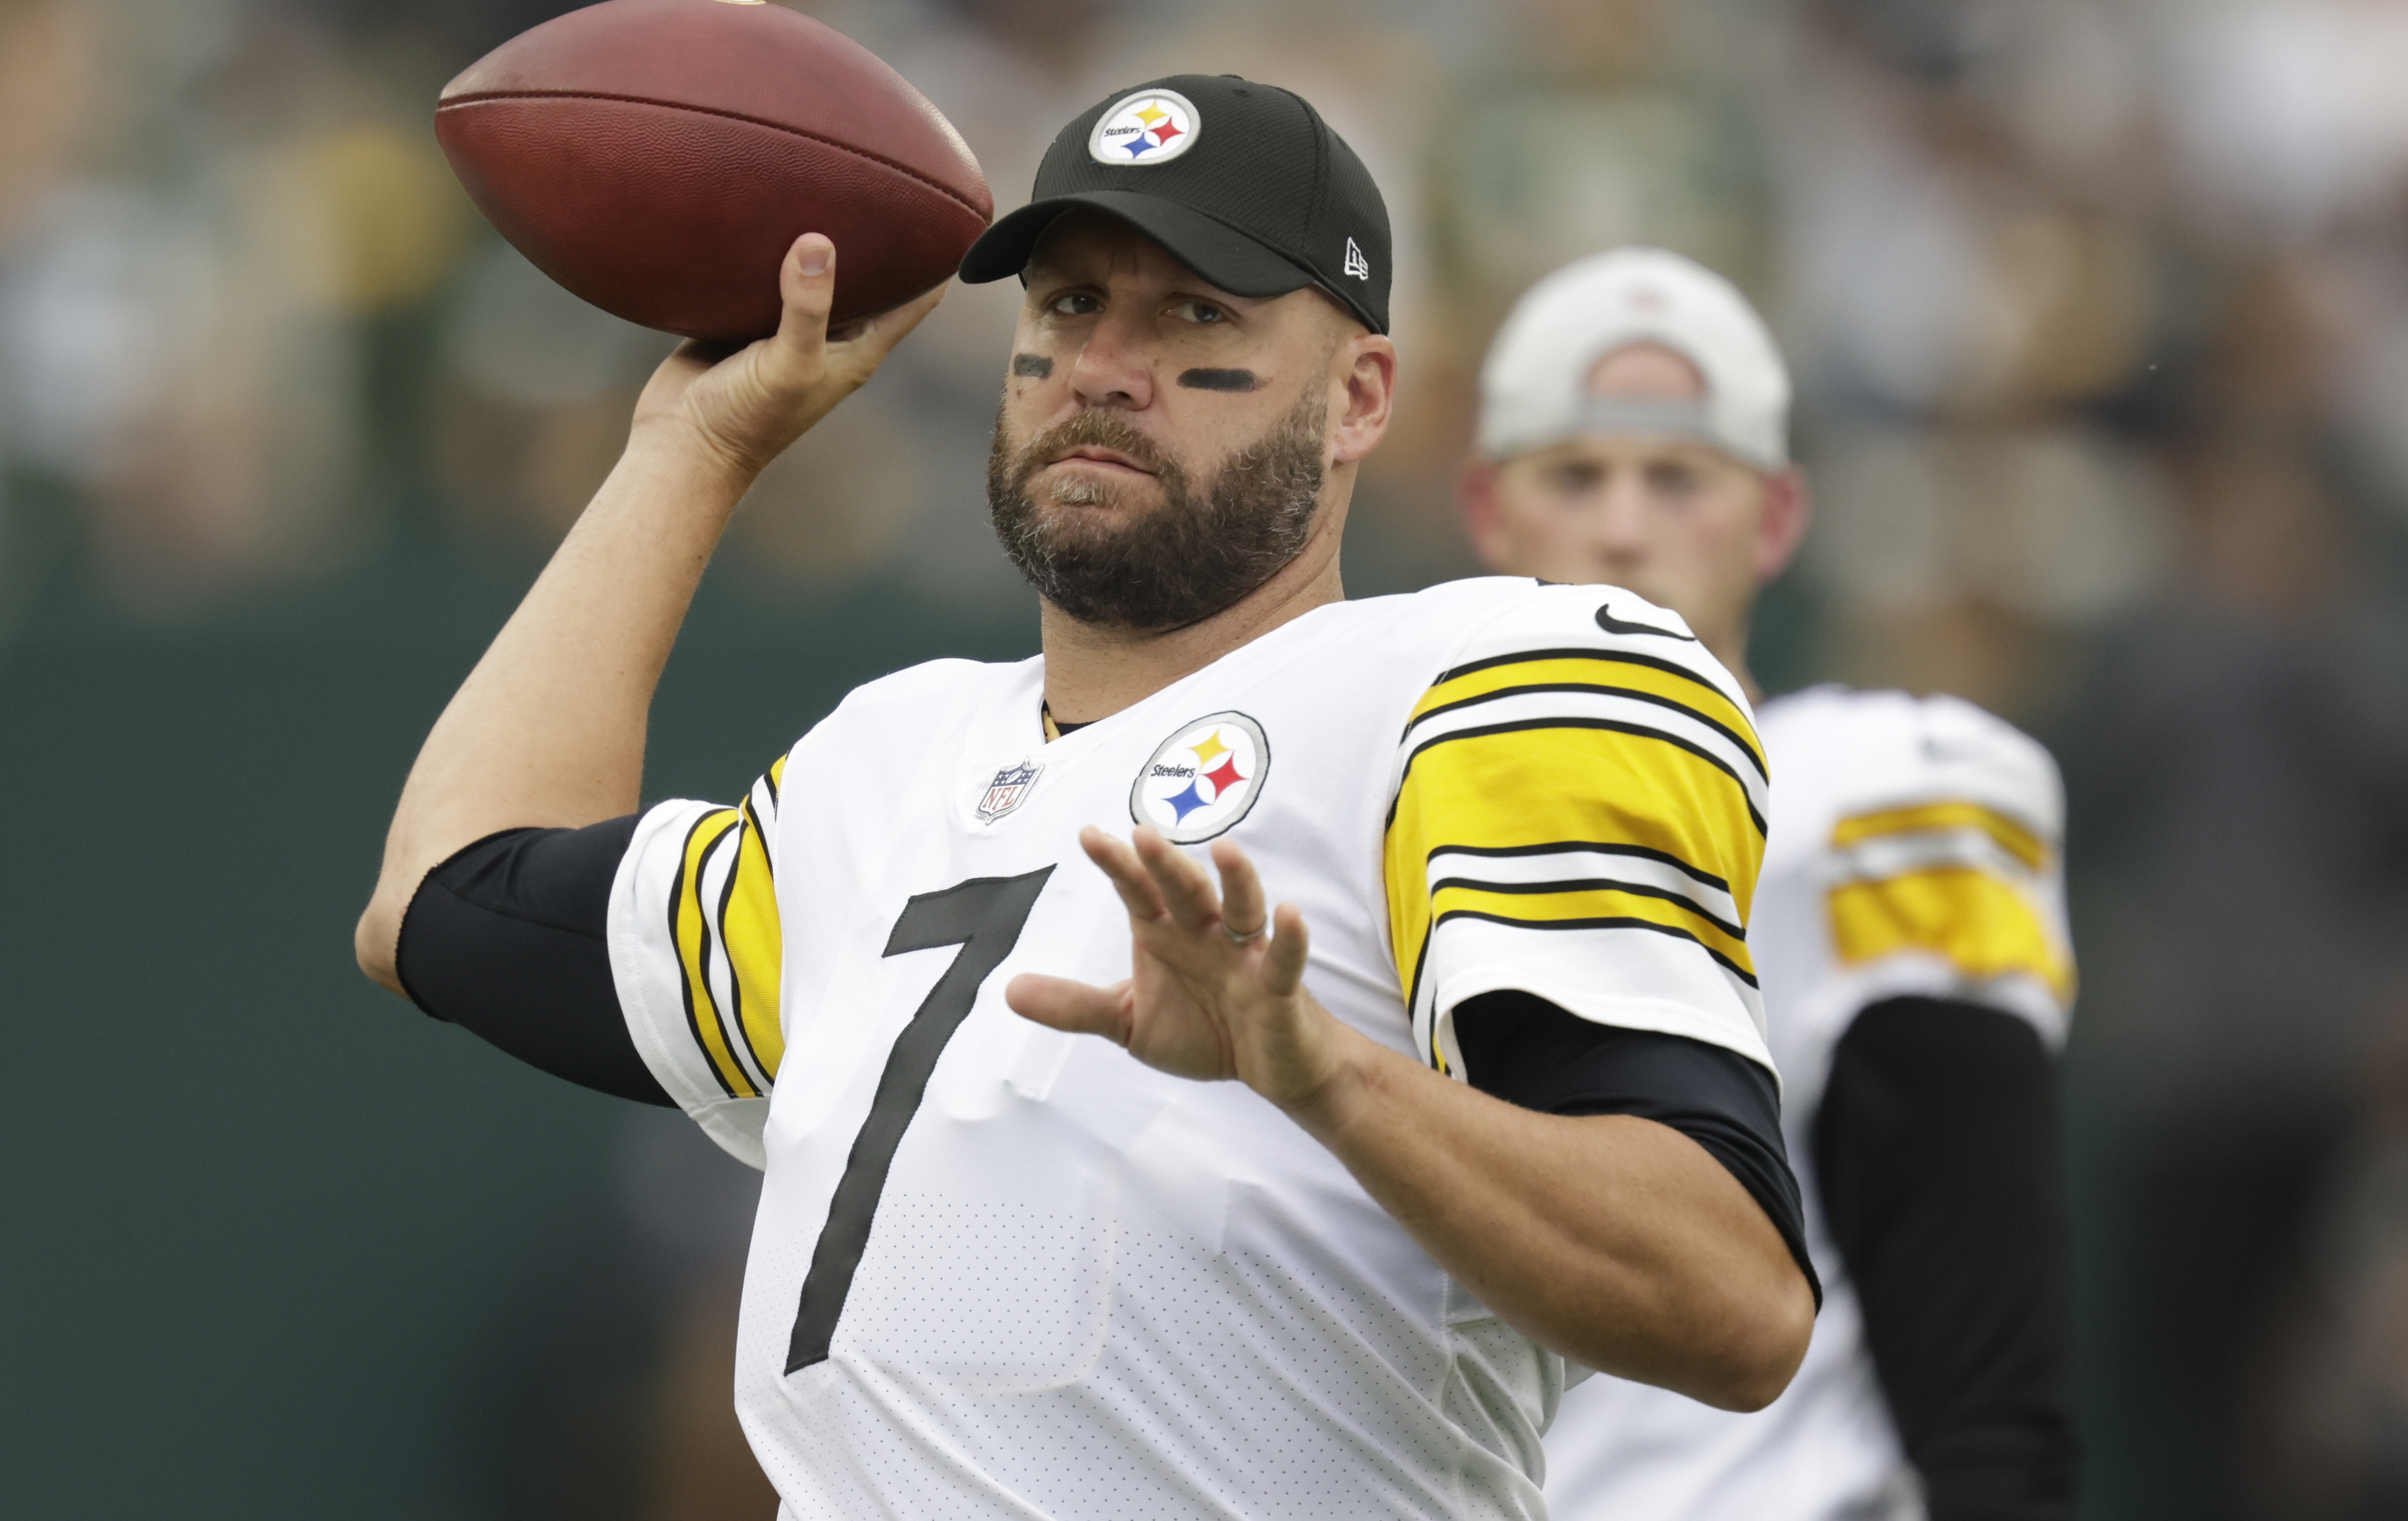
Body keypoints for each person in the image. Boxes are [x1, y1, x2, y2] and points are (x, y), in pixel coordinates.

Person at [353, 77, 1817, 1520]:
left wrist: (1316, 1073)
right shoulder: (887, 757)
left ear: (1361, 395)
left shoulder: (1480, 677)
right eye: (1064, 307)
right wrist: (693, 449)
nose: (1104, 365)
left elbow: (1730, 1304)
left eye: (1196, 314)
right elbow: (443, 899)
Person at [1460, 248, 2079, 1521]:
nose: (1622, 526)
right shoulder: (1370, 806)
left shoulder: (1877, 793)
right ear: (1488, 510)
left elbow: (1976, 1306)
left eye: (1677, 477)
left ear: (1775, 517)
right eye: (1575, 475)